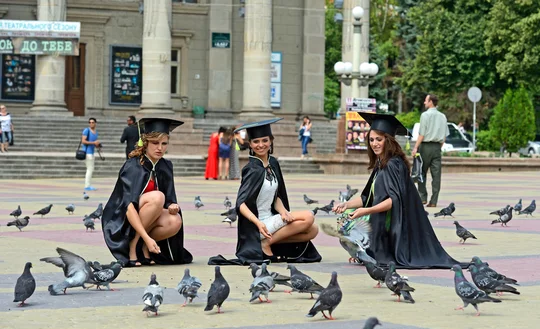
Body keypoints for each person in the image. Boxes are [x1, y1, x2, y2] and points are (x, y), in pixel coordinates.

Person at [334, 113, 465, 269]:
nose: (374, 144)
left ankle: (370, 250)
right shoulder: (380, 163)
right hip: (381, 221)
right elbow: (367, 197)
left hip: (394, 227)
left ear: (388, 140)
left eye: (379, 139)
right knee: (345, 227)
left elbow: (393, 201)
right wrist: (346, 205)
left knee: (351, 233)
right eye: (371, 140)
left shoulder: (393, 164)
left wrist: (366, 211)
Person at [209, 118, 321, 266]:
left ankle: (270, 242)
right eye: (256, 141)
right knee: (308, 217)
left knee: (312, 231)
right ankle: (264, 243)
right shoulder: (252, 169)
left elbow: (275, 196)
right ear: (250, 144)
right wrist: (258, 223)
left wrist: (282, 212)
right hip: (259, 224)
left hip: (272, 217)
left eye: (264, 140)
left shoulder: (273, 163)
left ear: (271, 141)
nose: (261, 145)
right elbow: (240, 204)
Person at [102, 117, 193, 267]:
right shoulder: (132, 166)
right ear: (145, 143)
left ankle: (144, 247)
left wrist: (172, 205)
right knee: (158, 197)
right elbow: (128, 206)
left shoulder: (166, 166)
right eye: (155, 143)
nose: (160, 148)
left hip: (150, 215)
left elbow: (170, 197)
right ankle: (133, 246)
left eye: (164, 144)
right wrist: (147, 237)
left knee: (175, 220)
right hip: (124, 219)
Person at [411, 94, 448, 207]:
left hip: (425, 146)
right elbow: (444, 136)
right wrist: (438, 147)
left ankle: (422, 197)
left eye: (426, 100)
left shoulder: (425, 115)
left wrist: (416, 147)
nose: (424, 102)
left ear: (431, 102)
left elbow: (422, 134)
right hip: (437, 147)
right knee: (436, 175)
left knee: (421, 172)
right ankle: (434, 201)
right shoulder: (443, 116)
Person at [82, 117, 101, 191]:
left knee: (90, 169)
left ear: (95, 123)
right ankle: (87, 185)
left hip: (92, 152)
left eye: (93, 122)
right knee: (89, 169)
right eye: (90, 122)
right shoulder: (86, 131)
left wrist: (97, 144)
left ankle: (88, 184)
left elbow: (94, 142)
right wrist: (93, 143)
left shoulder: (95, 132)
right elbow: (83, 141)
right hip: (87, 152)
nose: (91, 124)